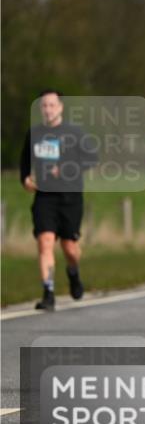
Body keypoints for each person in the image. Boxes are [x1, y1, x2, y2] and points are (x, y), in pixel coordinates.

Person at [20, 90, 98, 310]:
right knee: (45, 243)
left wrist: (66, 169)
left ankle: (73, 273)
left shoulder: (74, 133)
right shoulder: (34, 133)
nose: (48, 109)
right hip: (44, 197)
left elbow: (92, 159)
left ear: (61, 107)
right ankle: (48, 292)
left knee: (69, 248)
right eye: (44, 106)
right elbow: (24, 162)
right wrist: (25, 179)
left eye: (52, 105)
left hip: (70, 197)